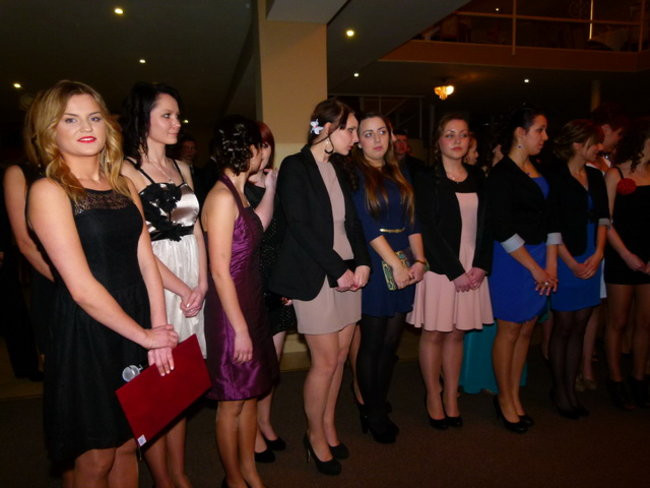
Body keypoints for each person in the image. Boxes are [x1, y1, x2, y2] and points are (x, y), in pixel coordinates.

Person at [26, 80, 177, 487]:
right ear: (50, 131)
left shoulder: (124, 184)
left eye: (93, 117)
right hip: (88, 329)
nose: (85, 127)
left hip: (138, 320)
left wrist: (158, 329)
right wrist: (146, 336)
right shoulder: (48, 191)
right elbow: (80, 287)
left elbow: (146, 260)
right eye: (70, 120)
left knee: (129, 441)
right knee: (96, 455)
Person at [270, 98, 370, 475]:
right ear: (328, 129)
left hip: (346, 274)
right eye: (351, 130)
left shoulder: (339, 168)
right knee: (325, 361)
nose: (356, 138)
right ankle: (313, 435)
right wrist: (337, 270)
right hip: (315, 276)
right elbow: (299, 226)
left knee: (341, 358)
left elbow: (353, 223)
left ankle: (328, 425)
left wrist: (362, 262)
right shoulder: (295, 167)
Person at [121, 82, 207, 488]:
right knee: (159, 385)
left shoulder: (182, 167)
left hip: (193, 278)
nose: (177, 123)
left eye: (177, 115)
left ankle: (180, 472)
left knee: (183, 385)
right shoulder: (123, 170)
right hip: (158, 279)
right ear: (144, 119)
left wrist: (202, 283)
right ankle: (163, 479)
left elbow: (197, 230)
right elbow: (137, 246)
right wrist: (183, 288)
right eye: (167, 116)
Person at [201, 115, 279, 488]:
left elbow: (258, 228)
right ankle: (233, 478)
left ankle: (249, 469)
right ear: (247, 149)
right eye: (259, 147)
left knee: (250, 395)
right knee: (231, 402)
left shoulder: (239, 191)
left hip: (249, 303)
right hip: (230, 314)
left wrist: (270, 187)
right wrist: (241, 330)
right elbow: (219, 272)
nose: (264, 153)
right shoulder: (220, 197)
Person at [408, 114, 493, 429]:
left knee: (457, 334)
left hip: (473, 267)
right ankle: (433, 395)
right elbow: (426, 229)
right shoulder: (426, 179)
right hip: (441, 267)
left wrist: (481, 265)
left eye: (463, 134)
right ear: (438, 141)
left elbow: (488, 225)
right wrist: (455, 271)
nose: (457, 140)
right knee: (434, 332)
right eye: (450, 134)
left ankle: (451, 397)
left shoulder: (479, 177)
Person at [348, 113, 425, 443]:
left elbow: (413, 220)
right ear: (358, 140)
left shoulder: (399, 170)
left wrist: (420, 260)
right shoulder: (355, 174)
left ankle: (377, 397)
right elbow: (366, 225)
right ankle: (372, 410)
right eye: (368, 133)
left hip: (404, 261)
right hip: (377, 263)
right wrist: (396, 264)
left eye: (382, 132)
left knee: (392, 342)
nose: (377, 139)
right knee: (373, 342)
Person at [486, 106, 559, 433]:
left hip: (541, 257)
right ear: (520, 132)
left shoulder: (538, 167)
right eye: (539, 130)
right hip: (513, 260)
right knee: (510, 330)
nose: (545, 137)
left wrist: (551, 265)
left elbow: (551, 219)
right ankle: (504, 398)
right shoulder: (502, 174)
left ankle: (515, 395)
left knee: (528, 329)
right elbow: (502, 229)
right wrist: (535, 268)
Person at [547, 119, 609, 418]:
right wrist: (570, 262)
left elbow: (604, 218)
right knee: (563, 326)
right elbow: (552, 225)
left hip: (592, 254)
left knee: (581, 325)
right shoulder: (555, 176)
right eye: (593, 142)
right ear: (576, 144)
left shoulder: (595, 176)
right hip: (564, 257)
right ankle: (560, 391)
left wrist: (599, 252)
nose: (599, 147)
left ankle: (571, 389)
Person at [244, 121, 297, 462]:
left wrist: (288, 281)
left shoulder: (278, 182)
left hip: (277, 282)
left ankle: (264, 421)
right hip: (250, 283)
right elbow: (252, 235)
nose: (262, 152)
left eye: (266, 145)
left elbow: (289, 236)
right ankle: (250, 432)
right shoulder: (237, 187)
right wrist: (270, 189)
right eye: (256, 145)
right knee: (255, 366)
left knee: (272, 366)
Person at [603, 117, 650, 409]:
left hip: (649, 258)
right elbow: (605, 221)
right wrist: (626, 255)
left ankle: (639, 377)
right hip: (622, 254)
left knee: (645, 322)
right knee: (618, 320)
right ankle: (616, 378)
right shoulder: (616, 173)